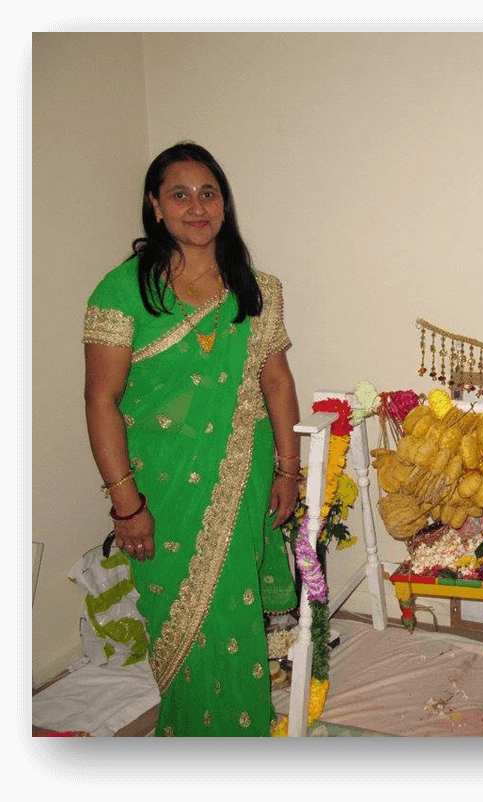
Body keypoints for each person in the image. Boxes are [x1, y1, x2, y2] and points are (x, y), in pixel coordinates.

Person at [83, 142, 300, 736]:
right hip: (162, 484)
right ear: (156, 206)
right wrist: (126, 503)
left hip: (242, 473)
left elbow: (277, 382)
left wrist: (288, 470)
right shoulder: (122, 291)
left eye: (209, 193)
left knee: (234, 614)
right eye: (180, 194)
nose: (197, 207)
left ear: (224, 206)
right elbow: (100, 399)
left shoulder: (256, 289)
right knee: (178, 617)